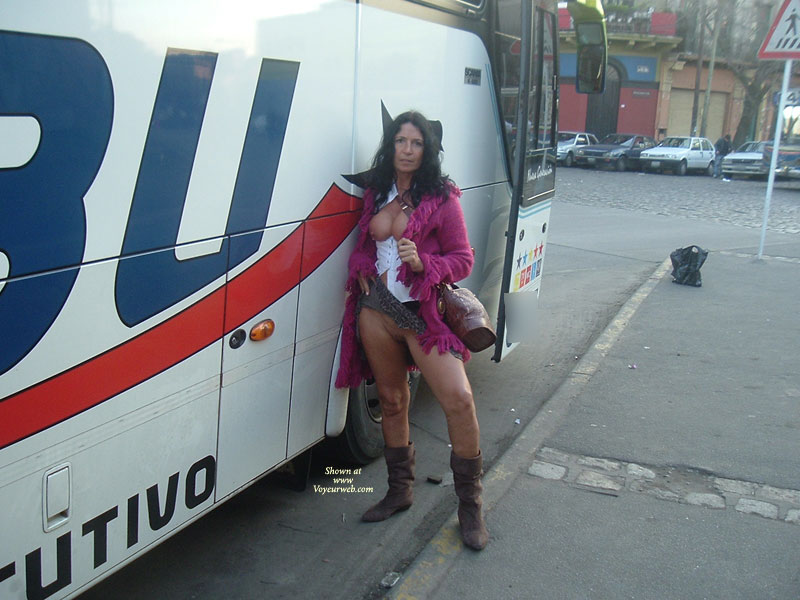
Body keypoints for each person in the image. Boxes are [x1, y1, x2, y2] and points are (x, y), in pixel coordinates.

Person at [335, 110, 489, 550]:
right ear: (391, 145)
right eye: (400, 141)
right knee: (391, 399)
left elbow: (463, 258)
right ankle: (399, 491)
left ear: (428, 150)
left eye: (416, 143)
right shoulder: (377, 190)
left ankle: (470, 506)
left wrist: (425, 263)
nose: (407, 150)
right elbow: (366, 244)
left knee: (459, 399)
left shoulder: (441, 197)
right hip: (376, 312)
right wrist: (362, 265)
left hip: (423, 316)